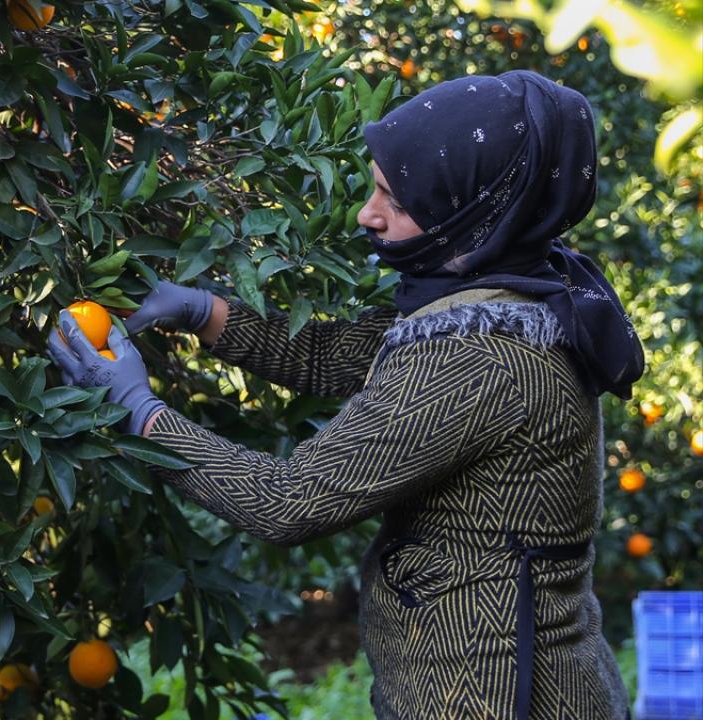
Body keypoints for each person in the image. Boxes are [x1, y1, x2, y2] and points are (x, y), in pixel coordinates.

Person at [47, 70, 643, 720]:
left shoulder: (479, 358)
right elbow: (338, 358)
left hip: (498, 694)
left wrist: (142, 413)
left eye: (399, 198)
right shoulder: (507, 285)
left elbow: (288, 504)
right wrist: (204, 311)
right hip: (505, 676)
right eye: (375, 185)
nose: (368, 213)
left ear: (474, 208)